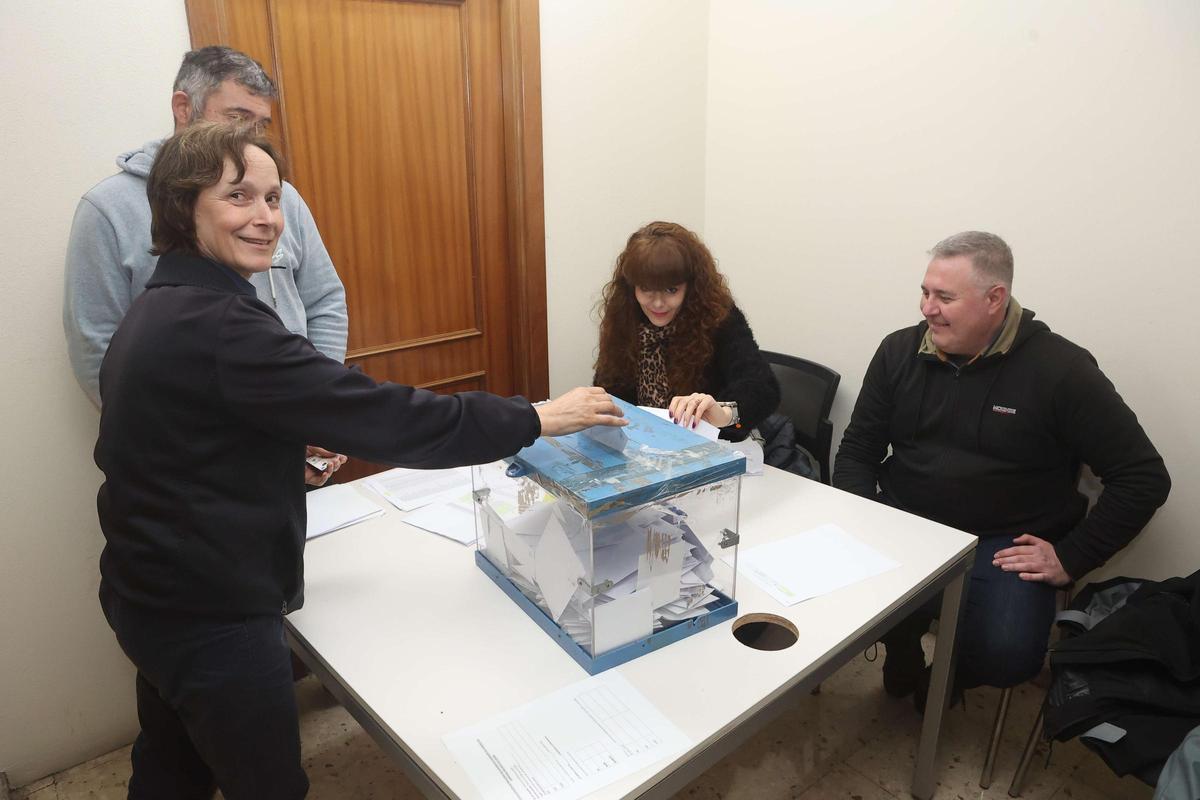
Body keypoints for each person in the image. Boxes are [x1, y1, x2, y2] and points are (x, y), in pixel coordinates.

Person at [95, 121, 626, 799]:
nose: (266, 218)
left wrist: (280, 443)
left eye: (274, 198)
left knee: (171, 763)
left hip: (146, 592)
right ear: (181, 207)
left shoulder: (157, 310)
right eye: (239, 197)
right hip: (210, 614)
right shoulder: (222, 326)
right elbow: (393, 418)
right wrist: (538, 418)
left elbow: (184, 449)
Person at [833, 231, 1170, 707]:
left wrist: (1072, 556)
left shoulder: (1061, 370)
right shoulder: (899, 351)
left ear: (995, 299)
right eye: (925, 292)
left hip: (1002, 542)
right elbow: (859, 447)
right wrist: (864, 514)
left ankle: (947, 677)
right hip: (905, 517)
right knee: (843, 595)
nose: (927, 308)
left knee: (1009, 654)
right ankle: (902, 645)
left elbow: (1143, 478)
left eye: (945, 297)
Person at [64, 45, 348, 408]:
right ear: (184, 108)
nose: (251, 136)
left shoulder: (282, 198)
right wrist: (167, 436)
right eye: (237, 117)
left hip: (291, 422)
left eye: (261, 124)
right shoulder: (107, 208)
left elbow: (324, 299)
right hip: (192, 445)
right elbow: (96, 343)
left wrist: (317, 404)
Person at [593, 221, 779, 441]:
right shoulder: (625, 316)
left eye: (671, 290)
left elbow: (763, 388)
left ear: (691, 285)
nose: (658, 303)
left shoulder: (719, 316)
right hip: (644, 448)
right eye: (646, 289)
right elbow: (609, 390)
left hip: (714, 445)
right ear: (632, 286)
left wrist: (725, 414)